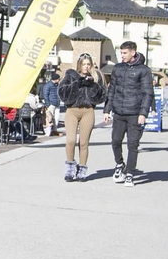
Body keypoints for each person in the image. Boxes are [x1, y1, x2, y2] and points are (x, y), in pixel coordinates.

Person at [106, 40, 153, 185]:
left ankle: (130, 173)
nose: (122, 55)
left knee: (132, 145)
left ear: (133, 52)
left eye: (124, 53)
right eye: (121, 53)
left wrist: (143, 114)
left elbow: (147, 93)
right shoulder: (118, 68)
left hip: (134, 113)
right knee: (115, 141)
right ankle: (120, 164)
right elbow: (112, 89)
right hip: (119, 112)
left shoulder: (144, 70)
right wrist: (107, 109)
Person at [58, 52, 105, 181]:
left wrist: (93, 86)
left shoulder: (95, 76)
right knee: (71, 140)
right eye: (84, 64)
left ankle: (82, 169)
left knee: (84, 143)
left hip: (88, 111)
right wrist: (77, 84)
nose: (86, 66)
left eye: (88, 64)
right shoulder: (70, 75)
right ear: (79, 64)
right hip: (72, 110)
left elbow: (102, 97)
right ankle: (70, 168)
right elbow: (62, 93)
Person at [39, 68, 63, 136]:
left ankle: (54, 130)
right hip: (51, 104)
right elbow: (45, 95)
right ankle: (49, 131)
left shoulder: (57, 85)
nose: (59, 80)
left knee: (56, 118)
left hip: (57, 103)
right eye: (58, 79)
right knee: (49, 118)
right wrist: (48, 104)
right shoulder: (48, 85)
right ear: (55, 79)